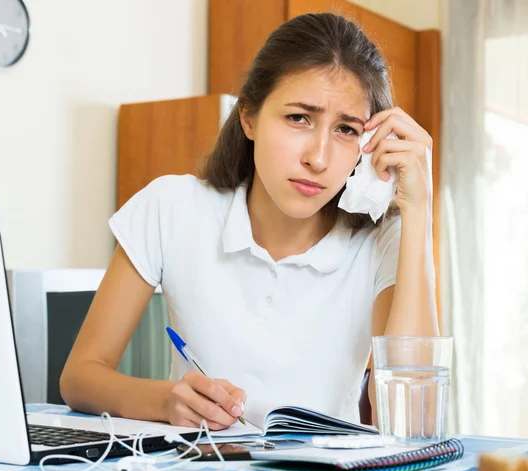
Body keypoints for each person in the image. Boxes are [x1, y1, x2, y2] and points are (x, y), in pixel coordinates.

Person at [60, 12, 438, 430]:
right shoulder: (172, 207)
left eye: (346, 129)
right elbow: (80, 377)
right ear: (249, 117)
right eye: (299, 118)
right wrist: (167, 400)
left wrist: (417, 213)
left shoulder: (382, 237)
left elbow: (412, 421)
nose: (319, 158)